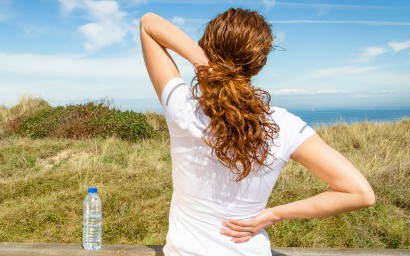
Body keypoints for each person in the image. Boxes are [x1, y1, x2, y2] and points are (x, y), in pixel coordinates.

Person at [139, 8, 376, 256]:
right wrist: (273, 215)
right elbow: (359, 193)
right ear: (259, 65)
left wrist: (203, 61)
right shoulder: (286, 126)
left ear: (207, 48)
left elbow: (149, 23)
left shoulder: (182, 109)